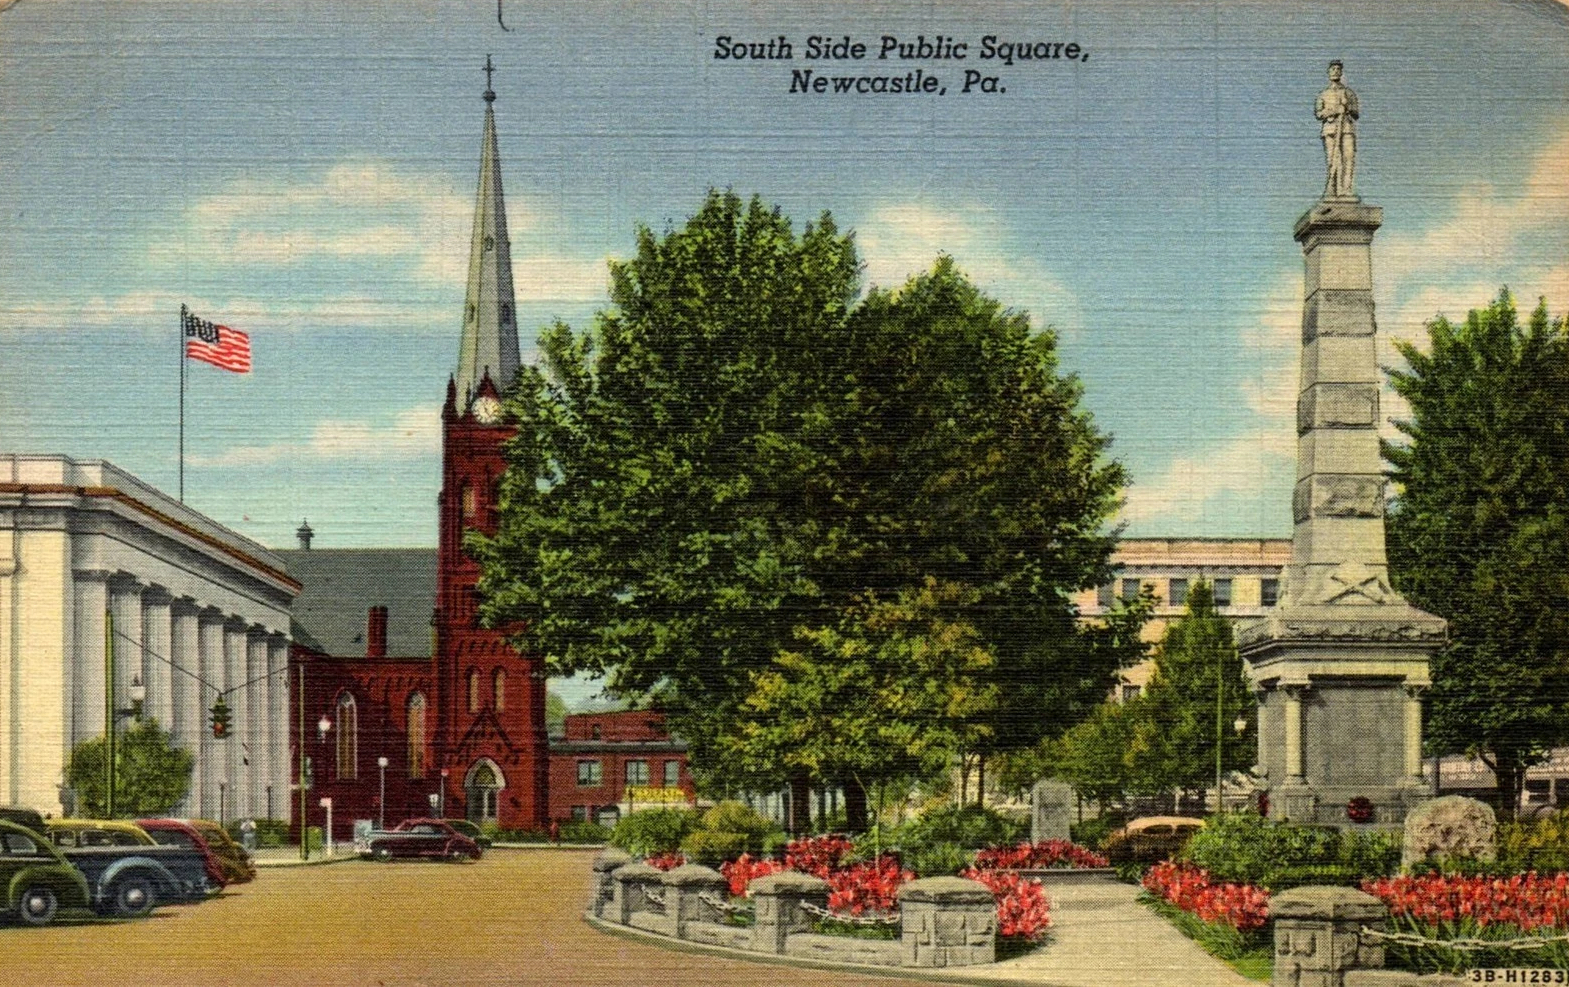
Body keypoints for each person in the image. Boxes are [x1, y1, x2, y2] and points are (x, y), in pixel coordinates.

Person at [1316, 60, 1359, 199]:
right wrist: (1334, 110)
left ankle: (1346, 190)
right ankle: (1332, 189)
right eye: (1333, 69)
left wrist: (1348, 108)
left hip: (1346, 127)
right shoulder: (1323, 94)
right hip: (1330, 129)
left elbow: (1356, 113)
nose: (1335, 71)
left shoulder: (1349, 93)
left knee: (1348, 158)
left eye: (1338, 69)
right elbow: (1319, 113)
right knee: (1332, 159)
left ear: (1341, 72)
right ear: (1328, 72)